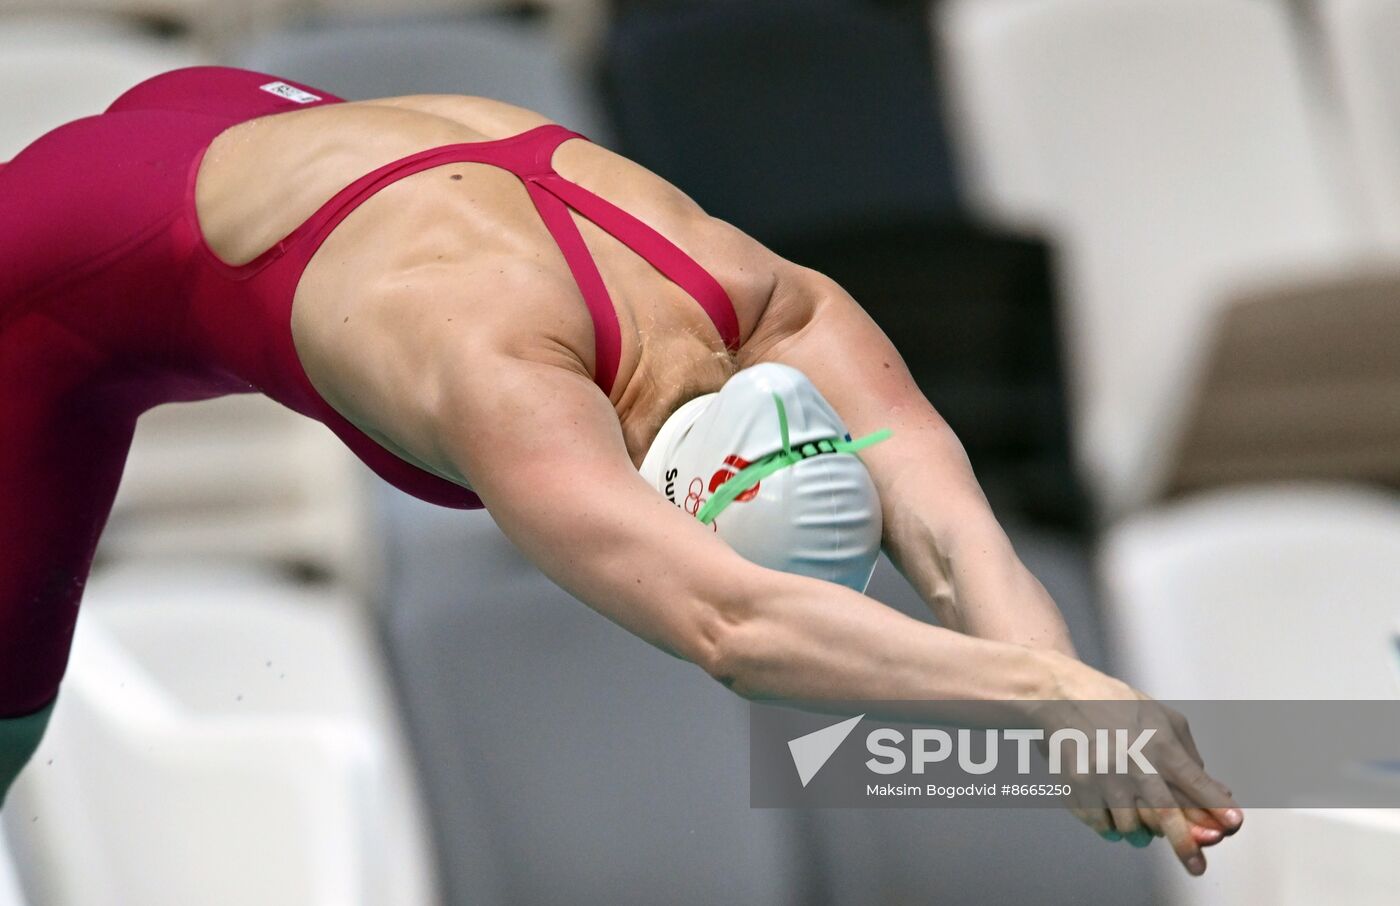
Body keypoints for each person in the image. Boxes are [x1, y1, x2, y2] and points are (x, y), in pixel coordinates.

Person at [0, 67, 1240, 872]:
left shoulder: (778, 307)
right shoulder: (497, 372)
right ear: (674, 506)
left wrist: (1079, 704)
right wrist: (1040, 703)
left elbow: (962, 544)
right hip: (53, 262)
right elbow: (734, 627)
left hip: (252, 123)